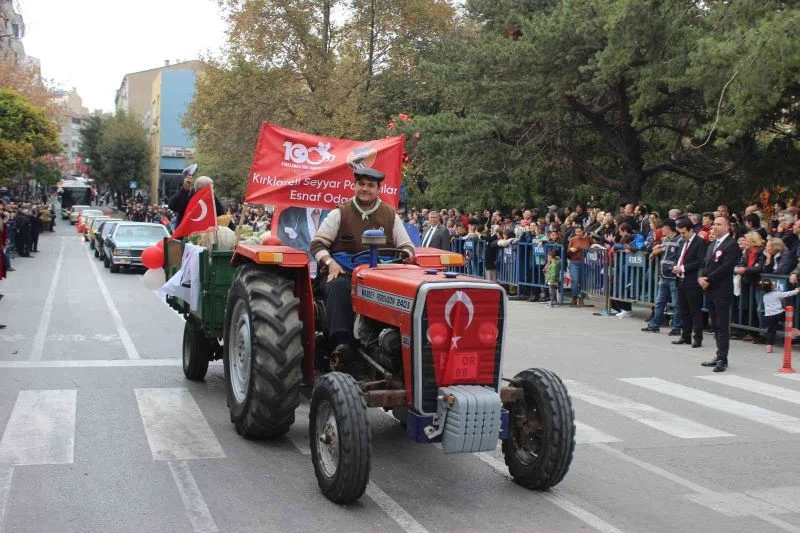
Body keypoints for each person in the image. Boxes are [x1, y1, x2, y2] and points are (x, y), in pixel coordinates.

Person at [309, 167, 415, 358]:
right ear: (354, 186)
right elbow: (317, 244)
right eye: (361, 184)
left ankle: (391, 346)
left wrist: (407, 254)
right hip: (344, 272)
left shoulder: (390, 215)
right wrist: (331, 263)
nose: (365, 188)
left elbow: (407, 246)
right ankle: (341, 346)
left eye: (370, 185)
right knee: (338, 286)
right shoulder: (339, 213)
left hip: (380, 274)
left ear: (378, 189)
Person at [698, 216, 742, 372]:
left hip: (722, 290)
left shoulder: (731, 245)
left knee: (722, 325)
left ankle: (723, 358)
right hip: (710, 289)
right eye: (714, 224)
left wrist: (708, 279)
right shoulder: (712, 244)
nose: (714, 227)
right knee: (715, 325)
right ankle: (718, 354)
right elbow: (704, 264)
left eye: (719, 224)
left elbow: (726, 267)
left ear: (727, 227)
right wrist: (700, 277)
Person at [642, 218, 683, 334]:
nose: (661, 230)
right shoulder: (665, 240)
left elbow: (680, 257)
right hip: (664, 275)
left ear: (667, 228)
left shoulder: (680, 241)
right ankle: (655, 325)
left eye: (663, 228)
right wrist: (655, 251)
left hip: (674, 276)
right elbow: (662, 251)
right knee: (659, 302)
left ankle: (676, 327)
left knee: (676, 304)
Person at [672, 218, 708, 347]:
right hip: (681, 279)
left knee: (695, 311)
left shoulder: (700, 242)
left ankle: (697, 338)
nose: (682, 235)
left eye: (684, 233)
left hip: (692, 280)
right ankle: (685, 336)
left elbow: (700, 261)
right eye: (680, 233)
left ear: (691, 230)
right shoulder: (683, 242)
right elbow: (680, 257)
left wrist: (683, 268)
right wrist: (676, 267)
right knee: (684, 310)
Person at [759, 279, 799, 353]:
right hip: (779, 313)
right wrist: (796, 290)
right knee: (789, 318)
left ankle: (769, 346)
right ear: (771, 286)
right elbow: (787, 294)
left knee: (771, 331)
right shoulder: (777, 293)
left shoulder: (764, 296)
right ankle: (792, 330)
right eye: (772, 283)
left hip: (768, 316)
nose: (774, 283)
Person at [566, 226, 592, 306]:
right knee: (575, 280)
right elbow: (568, 251)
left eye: (579, 231)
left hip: (585, 262)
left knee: (582, 281)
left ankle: (581, 298)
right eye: (576, 232)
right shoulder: (573, 239)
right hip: (574, 261)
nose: (578, 233)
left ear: (583, 231)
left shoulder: (588, 239)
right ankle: (574, 297)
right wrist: (571, 250)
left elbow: (593, 247)